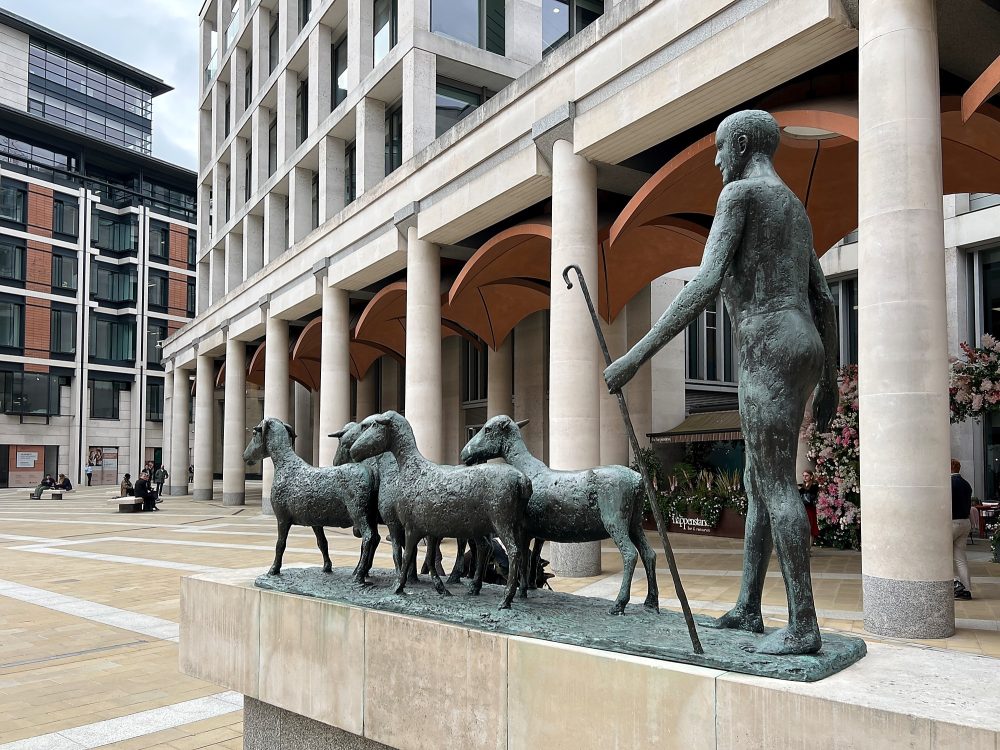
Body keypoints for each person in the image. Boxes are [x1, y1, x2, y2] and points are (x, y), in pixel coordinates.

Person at [605, 110, 838, 655]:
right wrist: (826, 377)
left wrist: (634, 358)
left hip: (769, 344)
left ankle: (803, 624)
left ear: (738, 143)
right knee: (758, 482)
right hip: (803, 341)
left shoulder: (739, 197)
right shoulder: (794, 208)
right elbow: (824, 298)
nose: (715, 161)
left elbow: (704, 284)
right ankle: (749, 607)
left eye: (717, 149)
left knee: (776, 487)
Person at [952, 458, 973, 600]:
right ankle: (967, 589)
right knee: (960, 558)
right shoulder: (966, 484)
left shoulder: (947, 483)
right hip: (965, 522)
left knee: (938, 554)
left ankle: (955, 582)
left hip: (952, 523)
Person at [798, 470, 821, 543]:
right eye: (803, 475)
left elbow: (812, 495)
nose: (804, 477)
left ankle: (808, 549)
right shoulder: (802, 486)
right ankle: (806, 548)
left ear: (811, 476)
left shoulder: (814, 486)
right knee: (804, 528)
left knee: (811, 528)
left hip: (810, 509)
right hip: (804, 509)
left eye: (806, 475)